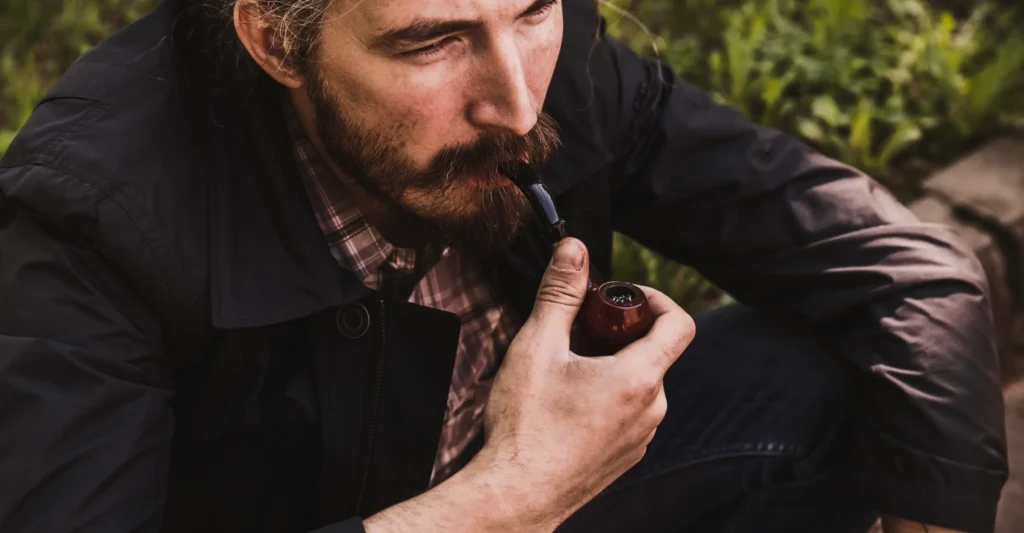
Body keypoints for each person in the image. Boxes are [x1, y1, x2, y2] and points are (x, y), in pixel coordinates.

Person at [0, 0, 1008, 531]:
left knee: (820, 378)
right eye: (430, 41)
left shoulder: (548, 66)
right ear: (276, 37)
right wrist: (512, 495)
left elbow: (911, 271)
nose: (519, 106)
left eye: (531, 7)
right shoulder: (92, 217)